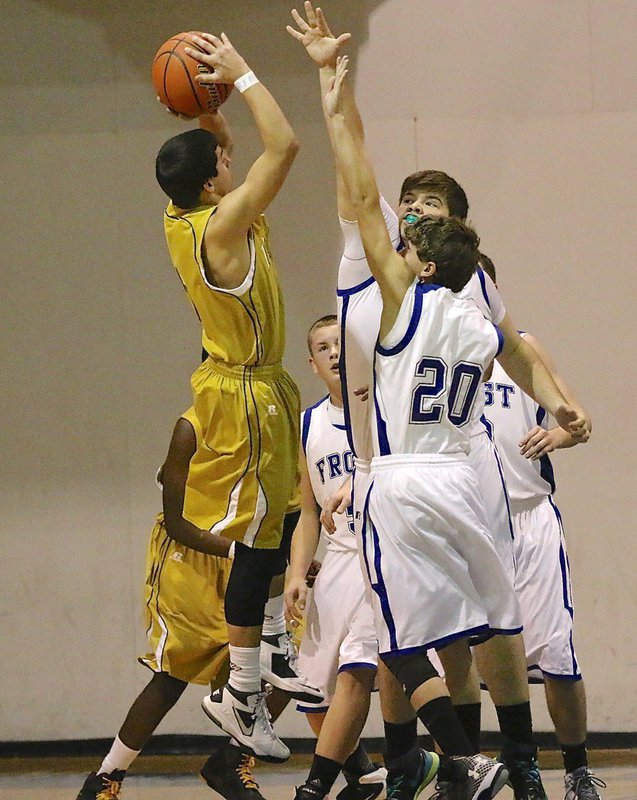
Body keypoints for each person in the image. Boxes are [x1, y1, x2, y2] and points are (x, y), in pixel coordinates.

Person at [287, 6, 588, 800]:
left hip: (401, 470)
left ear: (422, 253)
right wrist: (560, 404)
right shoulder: (472, 307)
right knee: (486, 622)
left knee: (395, 636)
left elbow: (355, 173)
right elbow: (516, 349)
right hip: (460, 470)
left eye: (419, 216)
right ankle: (471, 762)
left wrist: (329, 82)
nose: (406, 216)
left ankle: (461, 757)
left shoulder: (397, 288)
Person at [155, 30, 322, 762]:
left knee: (283, 515)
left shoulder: (181, 211)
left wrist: (207, 106)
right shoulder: (223, 225)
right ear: (213, 184)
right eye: (225, 160)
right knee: (257, 539)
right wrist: (244, 74)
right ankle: (241, 692)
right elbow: (283, 147)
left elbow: (218, 148)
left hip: (260, 385)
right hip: (243, 391)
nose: (234, 158)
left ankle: (276, 651)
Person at [76, 408, 292, 800]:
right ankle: (106, 778)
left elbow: (281, 512)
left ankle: (232, 761)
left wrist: (291, 558)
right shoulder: (189, 427)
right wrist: (242, 554)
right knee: (173, 675)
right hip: (192, 557)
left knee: (281, 671)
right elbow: (177, 523)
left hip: (247, 558)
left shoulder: (272, 422)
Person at [479, 256, 605, 800]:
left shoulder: (522, 346)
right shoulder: (429, 346)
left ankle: (576, 770)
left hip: (529, 517)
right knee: (461, 653)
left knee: (557, 654)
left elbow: (579, 419)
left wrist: (560, 434)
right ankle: (485, 765)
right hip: (470, 522)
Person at [284, 315, 393, 800]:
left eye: (339, 345)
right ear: (312, 363)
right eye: (322, 348)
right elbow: (308, 511)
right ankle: (363, 776)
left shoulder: (382, 407)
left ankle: (316, 786)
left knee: (358, 667)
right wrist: (296, 573)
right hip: (340, 557)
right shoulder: (308, 423)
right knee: (311, 690)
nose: (333, 353)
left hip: (385, 550)